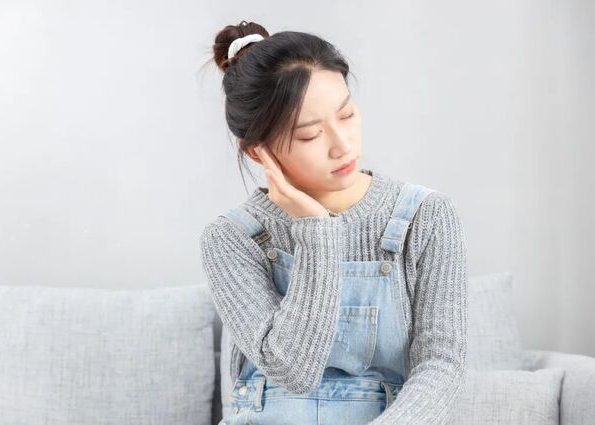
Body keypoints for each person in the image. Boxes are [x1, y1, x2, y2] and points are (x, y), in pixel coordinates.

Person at [199, 20, 468, 425]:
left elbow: (441, 365)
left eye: (347, 114)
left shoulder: (425, 217)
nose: (342, 146)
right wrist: (317, 230)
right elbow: (294, 371)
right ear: (258, 152)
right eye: (310, 135)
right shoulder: (231, 238)